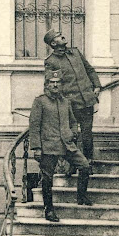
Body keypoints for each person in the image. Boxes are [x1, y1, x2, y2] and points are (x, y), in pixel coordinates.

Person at [29, 70, 92, 223]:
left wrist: (73, 132)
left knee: (84, 165)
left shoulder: (65, 102)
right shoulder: (40, 101)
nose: (56, 85)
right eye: (52, 82)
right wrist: (37, 147)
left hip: (67, 145)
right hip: (48, 146)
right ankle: (49, 210)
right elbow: (34, 126)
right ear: (47, 85)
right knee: (47, 179)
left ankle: (81, 197)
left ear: (62, 85)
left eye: (58, 83)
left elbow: (72, 121)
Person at [44, 30, 101, 164]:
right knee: (72, 135)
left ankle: (88, 161)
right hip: (70, 105)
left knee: (87, 133)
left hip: (87, 100)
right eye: (58, 36)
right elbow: (50, 84)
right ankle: (73, 164)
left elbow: (89, 70)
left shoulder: (75, 52)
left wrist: (97, 86)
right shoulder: (51, 61)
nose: (62, 36)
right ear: (53, 43)